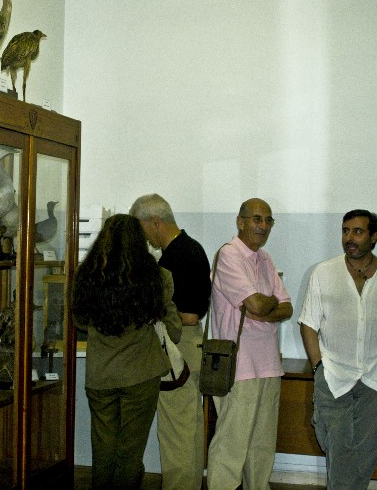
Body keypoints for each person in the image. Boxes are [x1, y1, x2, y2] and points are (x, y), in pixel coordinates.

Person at [299, 209, 377, 489]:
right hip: (333, 377)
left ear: (374, 236)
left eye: (357, 231)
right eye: (345, 231)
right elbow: (308, 323)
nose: (349, 238)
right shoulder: (324, 272)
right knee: (336, 448)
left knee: (365, 455)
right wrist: (318, 366)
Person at [71, 213, 182, 490]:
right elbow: (174, 331)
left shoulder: (85, 276)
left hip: (100, 375)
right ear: (140, 241)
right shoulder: (158, 277)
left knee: (103, 446)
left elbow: (79, 322)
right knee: (131, 449)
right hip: (141, 375)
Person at [206, 198, 292, 489]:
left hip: (268, 365)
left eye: (268, 220)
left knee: (262, 448)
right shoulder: (229, 255)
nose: (263, 226)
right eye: (257, 219)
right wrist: (267, 305)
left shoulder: (265, 258)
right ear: (240, 221)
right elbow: (256, 304)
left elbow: (287, 308)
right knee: (231, 446)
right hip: (238, 366)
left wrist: (264, 307)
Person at [129, 194, 212, 490]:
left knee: (176, 430)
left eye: (141, 228)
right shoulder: (193, 249)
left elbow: (188, 315)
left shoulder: (177, 256)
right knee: (188, 427)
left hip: (179, 346)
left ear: (155, 222)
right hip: (192, 346)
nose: (143, 237)